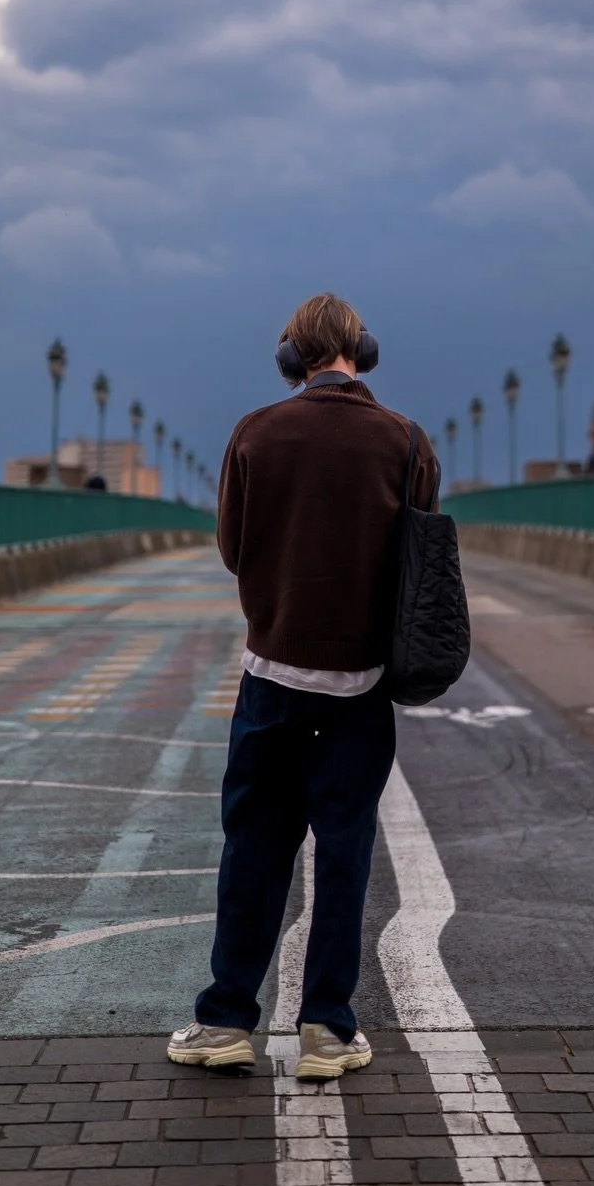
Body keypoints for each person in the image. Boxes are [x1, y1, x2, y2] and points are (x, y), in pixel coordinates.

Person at [169, 292, 438, 1081]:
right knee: (345, 851)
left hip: (273, 679)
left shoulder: (256, 433)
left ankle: (224, 1021)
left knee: (255, 848)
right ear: (365, 352)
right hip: (361, 687)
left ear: (292, 359)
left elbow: (231, 548)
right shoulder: (406, 441)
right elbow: (420, 567)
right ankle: (327, 1028)